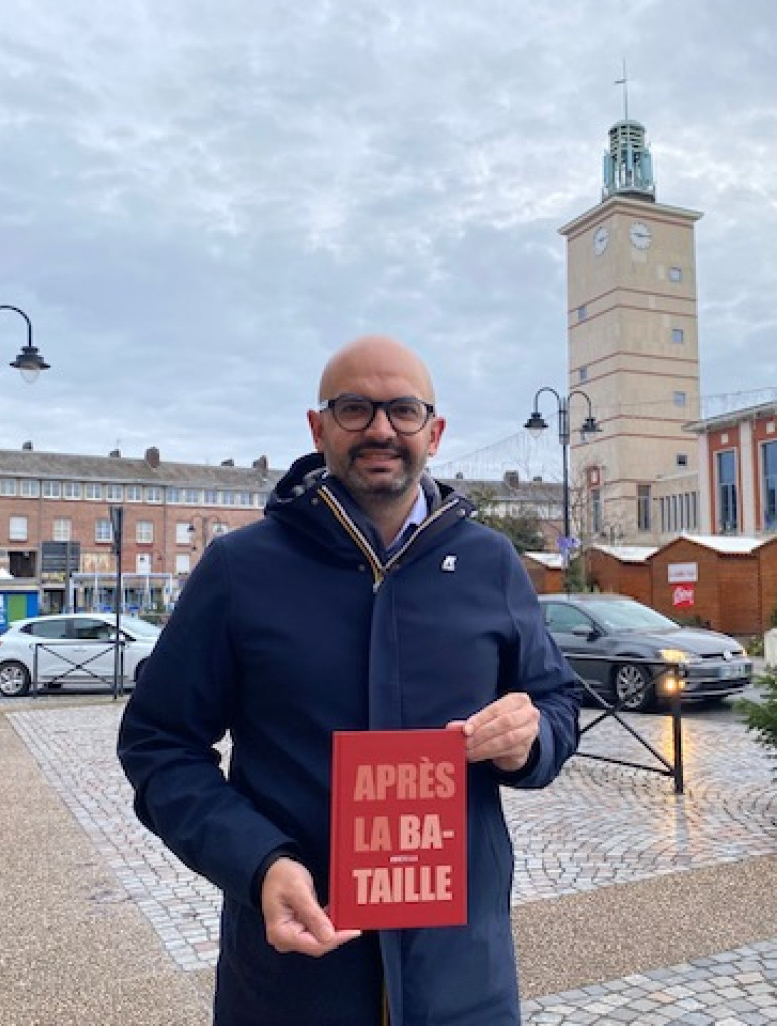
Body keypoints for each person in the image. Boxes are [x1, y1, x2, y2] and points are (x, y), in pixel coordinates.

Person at [118, 335, 582, 1026]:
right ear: (318, 426)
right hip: (293, 986)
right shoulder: (240, 569)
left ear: (435, 430)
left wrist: (532, 737)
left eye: (402, 409)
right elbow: (159, 744)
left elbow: (557, 703)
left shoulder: (490, 563)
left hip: (463, 980)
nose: (381, 430)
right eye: (354, 408)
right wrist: (259, 863)